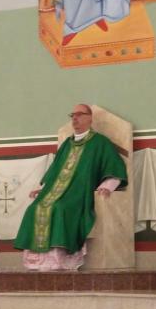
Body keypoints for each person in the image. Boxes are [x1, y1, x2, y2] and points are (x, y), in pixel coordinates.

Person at [14, 104, 127, 271]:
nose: (75, 118)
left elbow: (114, 166)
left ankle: (58, 261)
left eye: (80, 114)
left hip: (79, 194)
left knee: (60, 208)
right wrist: (42, 187)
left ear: (90, 118)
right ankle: (41, 262)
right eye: (72, 115)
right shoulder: (67, 143)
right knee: (35, 207)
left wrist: (108, 186)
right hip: (55, 192)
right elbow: (55, 169)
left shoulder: (100, 143)